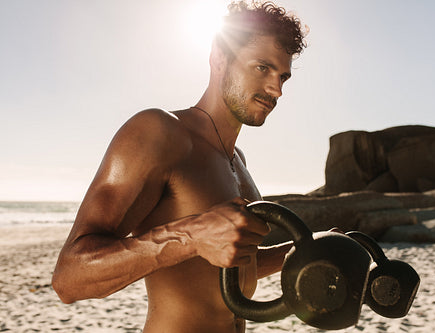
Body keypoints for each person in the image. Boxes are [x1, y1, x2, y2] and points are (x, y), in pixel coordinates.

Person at [52, 1, 308, 332]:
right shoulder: (159, 133)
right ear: (219, 57)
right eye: (262, 68)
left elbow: (227, 266)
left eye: (282, 76)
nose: (277, 90)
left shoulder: (237, 161)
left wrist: (310, 247)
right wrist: (192, 235)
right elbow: (69, 279)